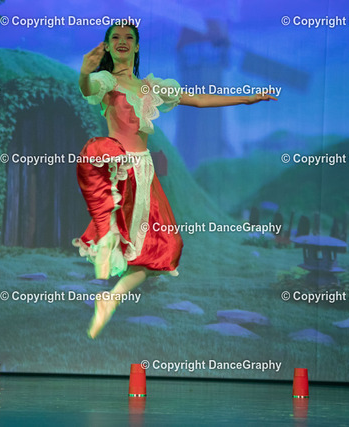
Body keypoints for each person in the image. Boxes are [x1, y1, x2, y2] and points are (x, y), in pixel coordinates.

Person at [73, 24, 277, 338]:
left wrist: (245, 99)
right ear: (108, 46)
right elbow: (88, 88)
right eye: (116, 38)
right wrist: (85, 72)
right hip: (118, 167)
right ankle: (105, 265)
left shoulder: (151, 88)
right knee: (115, 235)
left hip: (144, 172)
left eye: (129, 38)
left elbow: (198, 100)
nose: (123, 42)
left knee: (154, 252)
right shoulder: (105, 81)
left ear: (137, 47)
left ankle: (111, 297)